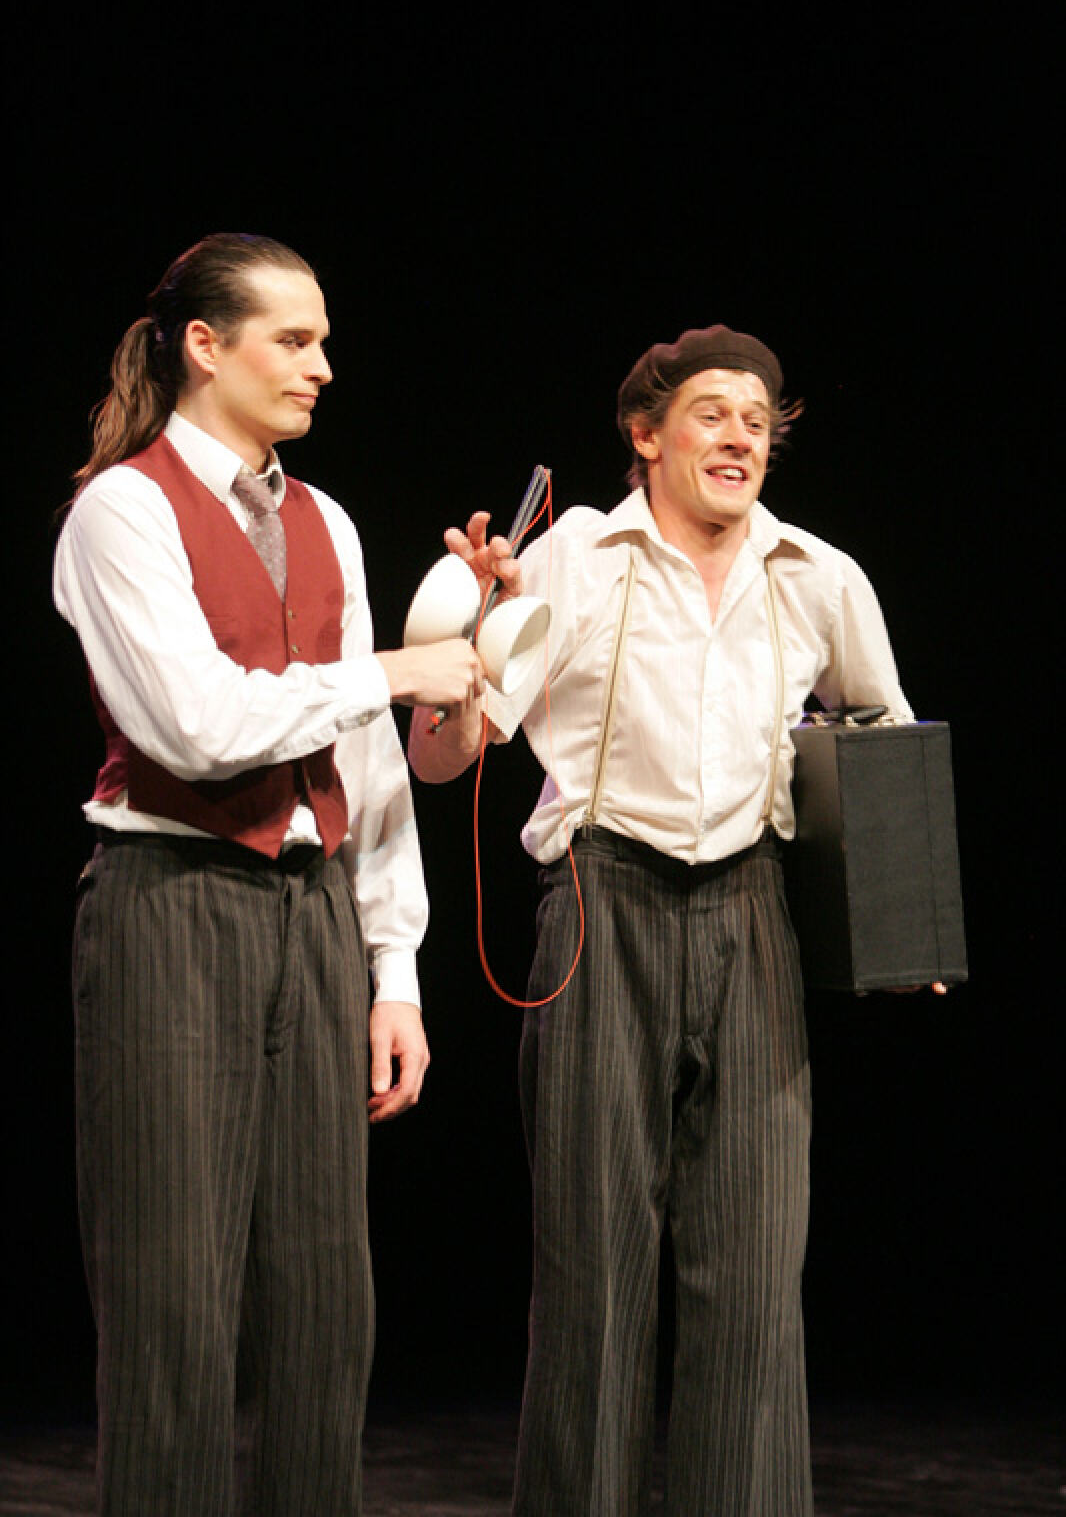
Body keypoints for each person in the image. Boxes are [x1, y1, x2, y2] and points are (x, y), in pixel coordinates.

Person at [409, 323, 940, 1516]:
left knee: (752, 1275)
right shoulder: (572, 560)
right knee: (593, 1273)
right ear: (646, 435)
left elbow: (879, 730)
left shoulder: (816, 572)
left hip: (753, 910)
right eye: (711, 413)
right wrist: (458, 644)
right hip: (601, 901)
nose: (739, 436)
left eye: (757, 420)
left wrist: (903, 918)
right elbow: (445, 758)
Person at [53, 232, 484, 1517]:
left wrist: (393, 971)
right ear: (205, 345)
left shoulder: (325, 520)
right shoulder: (122, 510)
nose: (322, 366)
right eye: (293, 340)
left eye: (323, 340)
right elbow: (196, 726)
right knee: (174, 1301)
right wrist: (390, 673)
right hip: (173, 910)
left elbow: (371, 762)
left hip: (314, 915)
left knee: (324, 1301)